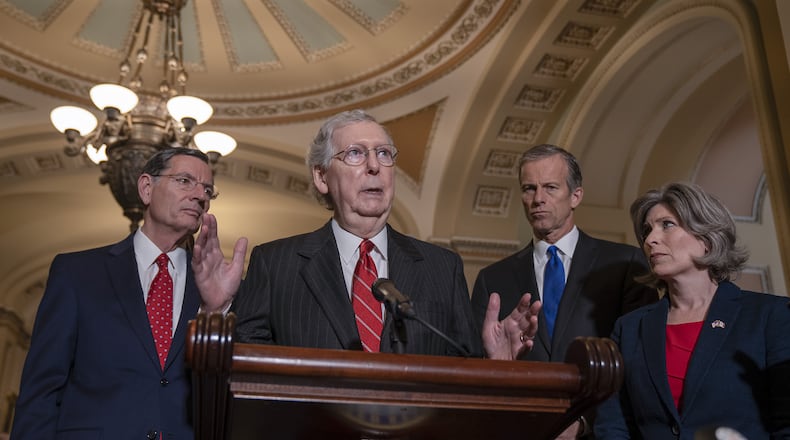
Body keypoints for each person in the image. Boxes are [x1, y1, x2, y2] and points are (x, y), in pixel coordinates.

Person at [192, 109, 539, 360]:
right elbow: (244, 372)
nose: (374, 165)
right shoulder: (276, 263)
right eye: (356, 153)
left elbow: (464, 376)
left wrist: (496, 364)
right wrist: (218, 309)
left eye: (384, 154)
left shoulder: (441, 267)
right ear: (321, 177)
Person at [10, 148, 238, 439]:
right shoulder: (76, 273)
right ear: (146, 188)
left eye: (207, 189)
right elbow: (41, 390)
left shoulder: (219, 287)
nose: (199, 195)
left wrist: (216, 311)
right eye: (184, 181)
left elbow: (232, 393)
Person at [470, 144, 657, 436]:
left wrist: (582, 424)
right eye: (529, 188)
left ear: (576, 196)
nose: (538, 199)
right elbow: (477, 372)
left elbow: (639, 365)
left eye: (550, 188)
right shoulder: (492, 279)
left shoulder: (625, 264)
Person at [594, 182, 790, 438]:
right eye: (647, 230)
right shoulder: (629, 328)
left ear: (706, 238)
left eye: (667, 225)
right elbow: (613, 425)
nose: (651, 239)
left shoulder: (769, 316)